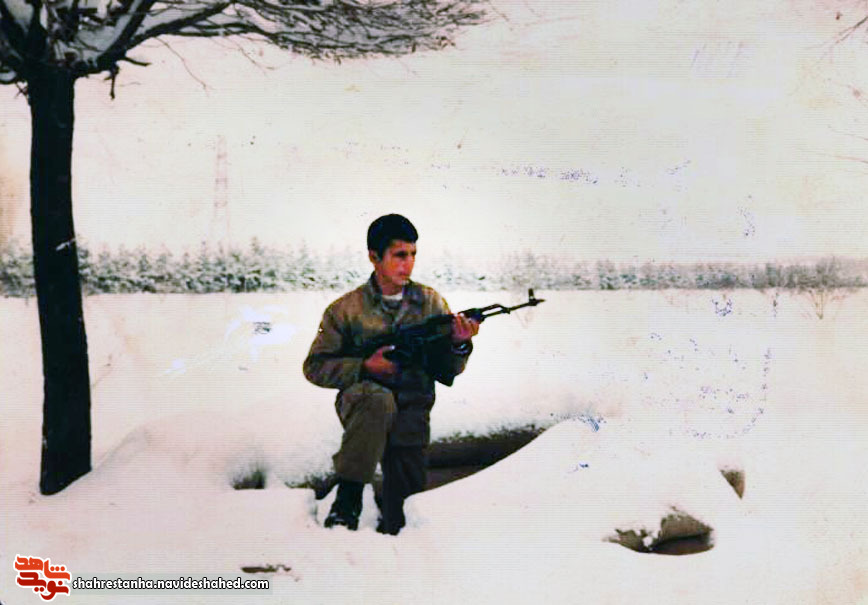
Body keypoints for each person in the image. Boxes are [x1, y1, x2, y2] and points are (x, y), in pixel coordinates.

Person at [303, 214, 479, 535]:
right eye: (399, 255)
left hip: (412, 411)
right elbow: (315, 367)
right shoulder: (346, 310)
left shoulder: (430, 303)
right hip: (361, 405)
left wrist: (459, 343)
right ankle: (347, 502)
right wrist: (364, 367)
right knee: (377, 398)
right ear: (374, 257)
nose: (408, 264)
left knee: (405, 519)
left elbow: (447, 369)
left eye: (413, 255)